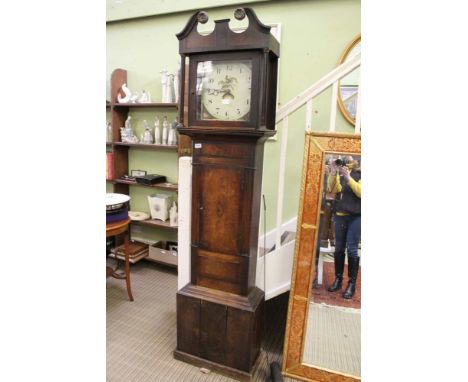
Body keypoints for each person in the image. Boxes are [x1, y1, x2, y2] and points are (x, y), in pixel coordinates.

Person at [326, 156, 361, 299]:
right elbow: (333, 189)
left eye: (351, 156)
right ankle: (338, 279)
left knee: (352, 248)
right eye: (344, 157)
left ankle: (351, 284)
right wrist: (334, 173)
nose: (347, 158)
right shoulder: (340, 171)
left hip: (356, 216)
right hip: (340, 214)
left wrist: (348, 178)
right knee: (339, 248)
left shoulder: (361, 173)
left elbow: (361, 192)